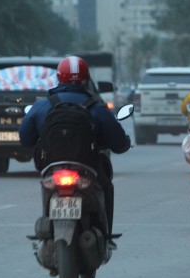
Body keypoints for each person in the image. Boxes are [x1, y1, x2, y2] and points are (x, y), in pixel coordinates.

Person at [19, 56, 131, 247]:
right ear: (86, 79)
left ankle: (46, 231)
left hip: (51, 169)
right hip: (87, 169)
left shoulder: (43, 105)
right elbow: (119, 144)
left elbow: (26, 139)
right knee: (106, 186)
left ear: (59, 78)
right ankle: (105, 237)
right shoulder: (96, 107)